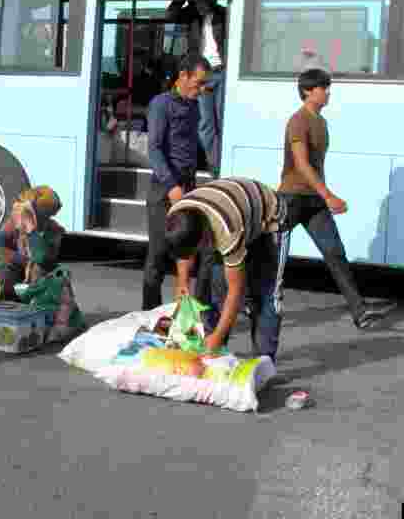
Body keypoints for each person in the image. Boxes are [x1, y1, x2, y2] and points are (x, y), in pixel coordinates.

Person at [277, 67, 386, 329]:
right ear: (307, 91)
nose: (328, 92)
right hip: (292, 198)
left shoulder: (321, 122)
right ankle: (251, 301)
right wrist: (329, 195)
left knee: (335, 253)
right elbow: (302, 164)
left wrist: (322, 195)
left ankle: (359, 312)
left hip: (314, 201)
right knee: (272, 256)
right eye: (322, 88)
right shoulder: (298, 120)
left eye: (327, 87)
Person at [164, 177, 288, 362]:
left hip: (270, 218)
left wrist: (217, 337)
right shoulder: (177, 215)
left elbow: (235, 292)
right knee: (216, 287)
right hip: (232, 207)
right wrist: (183, 283)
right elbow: (184, 253)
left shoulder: (226, 230)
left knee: (266, 293)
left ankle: (265, 361)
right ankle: (216, 351)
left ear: (204, 238)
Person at [0, 185, 85, 341]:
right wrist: (22, 260)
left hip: (41, 286)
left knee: (57, 280)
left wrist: (31, 230)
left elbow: (42, 259)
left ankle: (54, 324)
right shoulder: (13, 225)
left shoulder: (54, 231)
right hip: (19, 281)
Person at [142, 54, 210, 311]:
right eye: (198, 83)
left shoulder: (194, 105)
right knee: (158, 256)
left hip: (188, 186)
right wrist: (172, 187)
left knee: (199, 252)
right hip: (164, 188)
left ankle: (195, 311)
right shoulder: (161, 104)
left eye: (204, 85)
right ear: (183, 76)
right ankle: (149, 315)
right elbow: (155, 149)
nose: (202, 90)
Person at [172, 0, 227, 174]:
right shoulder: (191, 14)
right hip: (202, 74)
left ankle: (222, 163)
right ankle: (216, 166)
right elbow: (170, 15)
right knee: (205, 124)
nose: (200, 7)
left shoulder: (224, 13)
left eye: (202, 4)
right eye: (196, 3)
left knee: (223, 121)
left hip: (222, 71)